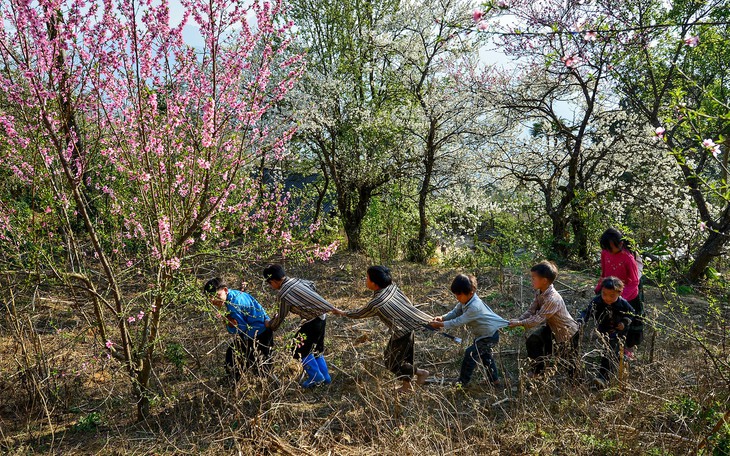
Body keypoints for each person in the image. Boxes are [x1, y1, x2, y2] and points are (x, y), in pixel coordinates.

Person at [336, 266, 432, 393]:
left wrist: (343, 312)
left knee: (391, 362)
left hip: (401, 332)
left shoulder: (376, 303)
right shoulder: (392, 287)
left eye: (367, 278)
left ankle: (421, 373)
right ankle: (406, 386)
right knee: (405, 358)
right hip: (408, 328)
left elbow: (359, 314)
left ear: (374, 284)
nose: (365, 280)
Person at [263, 264, 343, 388]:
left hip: (311, 321)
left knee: (298, 348)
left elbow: (280, 316)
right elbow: (312, 284)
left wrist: (270, 325)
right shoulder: (297, 280)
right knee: (317, 349)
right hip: (322, 317)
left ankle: (316, 377)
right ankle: (326, 377)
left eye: (270, 284)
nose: (271, 287)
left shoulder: (283, 294)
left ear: (273, 281)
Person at [429, 274, 509, 387]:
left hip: (489, 336)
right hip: (483, 335)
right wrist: (442, 318)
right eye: (456, 294)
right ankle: (494, 380)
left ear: (471, 292)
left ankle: (462, 382)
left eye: (459, 294)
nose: (457, 297)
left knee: (470, 353)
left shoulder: (474, 306)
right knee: (486, 356)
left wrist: (440, 324)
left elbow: (458, 321)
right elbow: (455, 312)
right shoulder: (465, 300)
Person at [508, 261, 580, 379]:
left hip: (568, 333)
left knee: (570, 363)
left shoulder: (553, 298)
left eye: (533, 278)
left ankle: (577, 385)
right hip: (552, 329)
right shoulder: (540, 292)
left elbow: (537, 319)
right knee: (533, 341)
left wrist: (519, 323)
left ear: (544, 280)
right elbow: (531, 311)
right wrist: (518, 319)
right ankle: (538, 372)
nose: (531, 280)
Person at [203, 277, 273, 381]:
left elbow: (240, 328)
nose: (213, 301)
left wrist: (228, 323)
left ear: (225, 290)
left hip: (257, 333)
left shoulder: (234, 304)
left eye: (216, 296)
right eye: (210, 298)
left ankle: (237, 381)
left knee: (239, 357)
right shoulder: (234, 296)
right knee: (257, 360)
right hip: (262, 329)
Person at [578, 276, 635, 389]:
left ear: (619, 293)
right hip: (603, 330)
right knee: (609, 350)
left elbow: (632, 313)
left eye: (612, 296)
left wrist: (624, 322)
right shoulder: (597, 301)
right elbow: (587, 312)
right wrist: (581, 320)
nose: (607, 298)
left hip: (618, 332)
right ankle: (613, 368)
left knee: (609, 351)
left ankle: (603, 377)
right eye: (604, 294)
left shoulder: (623, 303)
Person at [595, 228, 643, 360]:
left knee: (628, 322)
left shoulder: (628, 258)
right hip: (610, 291)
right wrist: (599, 287)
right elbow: (604, 273)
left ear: (620, 244)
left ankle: (629, 349)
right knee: (609, 319)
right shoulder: (605, 253)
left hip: (627, 295)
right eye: (606, 248)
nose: (608, 251)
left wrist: (621, 297)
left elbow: (634, 282)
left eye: (611, 247)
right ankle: (609, 344)